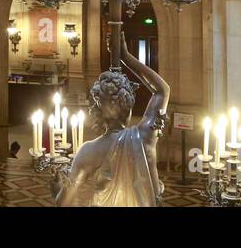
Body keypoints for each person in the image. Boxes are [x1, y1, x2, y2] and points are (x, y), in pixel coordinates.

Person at [55, 31, 169, 207]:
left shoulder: (87, 152)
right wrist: (126, 57)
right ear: (128, 107)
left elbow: (63, 202)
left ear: (96, 111)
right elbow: (162, 90)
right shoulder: (144, 138)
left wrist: (56, 186)